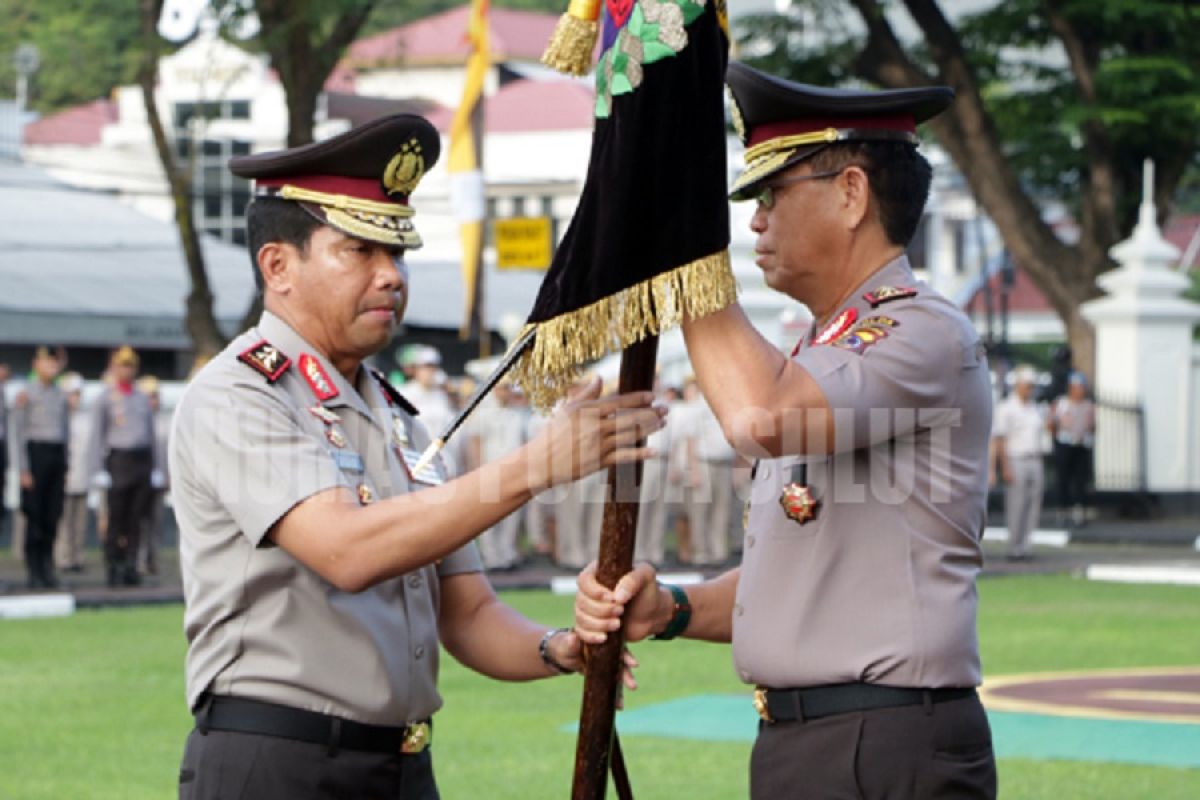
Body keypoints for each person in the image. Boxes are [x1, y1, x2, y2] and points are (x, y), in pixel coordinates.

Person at [170, 114, 663, 800]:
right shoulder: (239, 394)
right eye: (360, 252)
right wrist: (533, 466)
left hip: (400, 768)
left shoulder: (392, 415)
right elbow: (348, 550)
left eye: (395, 254)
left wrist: (561, 649)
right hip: (279, 765)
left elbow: (465, 614)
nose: (390, 277)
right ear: (278, 266)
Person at [574, 62, 997, 799]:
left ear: (852, 194)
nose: (756, 221)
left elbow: (758, 417)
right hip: (816, 743)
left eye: (772, 194)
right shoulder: (818, 355)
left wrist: (680, 248)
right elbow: (799, 585)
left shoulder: (918, 330)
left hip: (883, 744)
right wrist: (669, 608)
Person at [88, 346, 157, 587]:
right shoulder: (105, 398)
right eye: (122, 365)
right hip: (118, 461)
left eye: (130, 366)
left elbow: (150, 434)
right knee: (116, 519)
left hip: (141, 460)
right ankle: (113, 564)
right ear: (114, 368)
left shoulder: (141, 397)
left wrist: (155, 466)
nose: (127, 370)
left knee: (136, 519)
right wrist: (97, 469)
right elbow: (96, 435)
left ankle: (130, 564)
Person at [12, 346, 69, 588]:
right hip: (36, 455)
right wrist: (23, 469)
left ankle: (47, 567)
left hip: (56, 456)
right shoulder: (27, 394)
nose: (51, 368)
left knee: (52, 517)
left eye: (54, 363)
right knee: (35, 518)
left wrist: (66, 463)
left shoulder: (59, 394)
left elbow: (65, 431)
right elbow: (18, 434)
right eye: (47, 363)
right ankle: (33, 570)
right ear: (36, 364)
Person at [990, 365, 1048, 561]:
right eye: (1027, 385)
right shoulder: (1006, 408)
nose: (1029, 390)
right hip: (1016, 458)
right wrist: (1002, 466)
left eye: (1031, 386)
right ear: (1018, 385)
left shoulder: (1035, 408)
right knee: (1017, 504)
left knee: (1033, 504)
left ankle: (1026, 544)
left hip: (1035, 458)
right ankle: (1015, 546)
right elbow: (999, 440)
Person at [54, 373, 91, 574]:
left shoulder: (86, 420)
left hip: (82, 477)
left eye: (76, 394)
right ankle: (64, 558)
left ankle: (78, 557)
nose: (73, 399)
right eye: (70, 394)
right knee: (64, 523)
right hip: (63, 477)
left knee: (80, 523)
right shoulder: (58, 419)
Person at [1049, 371, 1094, 527]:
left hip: (1081, 445)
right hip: (1065, 444)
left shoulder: (1088, 405)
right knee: (1063, 479)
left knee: (1080, 480)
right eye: (1077, 387)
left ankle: (1078, 511)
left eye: (1082, 387)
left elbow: (1093, 426)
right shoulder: (1061, 403)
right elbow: (1052, 425)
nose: (1080, 390)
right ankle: (1063, 510)